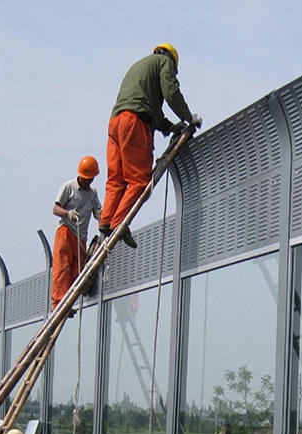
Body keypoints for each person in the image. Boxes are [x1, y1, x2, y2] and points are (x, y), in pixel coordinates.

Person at [99, 43, 200, 249]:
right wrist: (189, 117)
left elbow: (152, 108)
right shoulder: (165, 63)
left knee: (116, 180)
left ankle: (106, 221)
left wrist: (171, 128)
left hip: (116, 123)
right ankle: (119, 223)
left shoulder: (139, 67)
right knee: (139, 180)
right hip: (135, 123)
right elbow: (171, 91)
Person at [51, 155, 102, 312]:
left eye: (90, 178)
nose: (88, 181)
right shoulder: (69, 187)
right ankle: (58, 305)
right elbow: (55, 209)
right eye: (86, 178)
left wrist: (104, 222)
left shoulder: (92, 193)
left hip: (81, 237)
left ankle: (67, 303)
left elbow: (97, 212)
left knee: (76, 272)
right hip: (66, 232)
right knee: (62, 267)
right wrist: (67, 213)